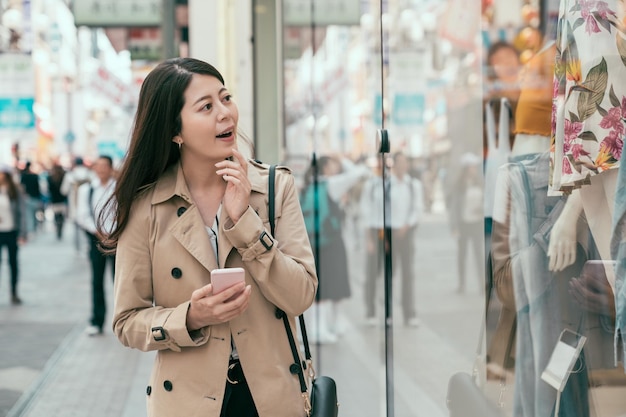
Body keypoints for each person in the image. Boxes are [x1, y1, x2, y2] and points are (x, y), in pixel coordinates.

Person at [102, 57, 317, 417]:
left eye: (225, 98)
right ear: (175, 131)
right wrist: (191, 317)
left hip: (272, 398)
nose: (225, 113)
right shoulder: (147, 206)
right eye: (206, 106)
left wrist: (245, 221)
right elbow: (127, 322)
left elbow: (301, 296)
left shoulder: (274, 187)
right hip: (187, 401)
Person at [299, 154, 367, 343]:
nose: (336, 168)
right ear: (326, 167)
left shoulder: (307, 186)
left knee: (318, 284)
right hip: (331, 241)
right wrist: (342, 158)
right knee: (330, 284)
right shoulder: (331, 184)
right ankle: (319, 330)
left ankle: (321, 327)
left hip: (311, 241)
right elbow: (359, 173)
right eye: (333, 165)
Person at [360, 152, 424, 327]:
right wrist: (371, 237)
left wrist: (406, 226)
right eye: (399, 162)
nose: (403, 166)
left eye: (405, 162)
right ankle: (379, 312)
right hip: (384, 232)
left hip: (405, 232)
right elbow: (370, 211)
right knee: (383, 273)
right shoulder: (382, 185)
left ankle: (409, 313)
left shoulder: (413, 185)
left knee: (407, 274)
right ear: (394, 164)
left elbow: (417, 209)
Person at [76, 155, 117, 336]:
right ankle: (97, 321)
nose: (101, 169)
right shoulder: (87, 189)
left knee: (120, 282)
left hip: (117, 240)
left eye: (104, 166)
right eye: (98, 166)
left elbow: (125, 211)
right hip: (97, 240)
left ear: (110, 168)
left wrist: (114, 233)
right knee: (97, 281)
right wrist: (98, 233)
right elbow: (82, 215)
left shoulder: (118, 187)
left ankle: (122, 322)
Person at [0, 165, 26, 305]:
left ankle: (14, 292)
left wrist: (23, 232)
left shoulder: (15, 190)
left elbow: (22, 212)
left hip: (11, 231)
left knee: (13, 263)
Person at [60, 156, 93, 251]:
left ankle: (78, 248)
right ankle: (87, 246)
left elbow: (63, 191)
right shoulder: (90, 174)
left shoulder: (70, 175)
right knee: (88, 226)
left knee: (76, 229)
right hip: (89, 205)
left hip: (74, 205)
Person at [19, 161, 43, 236]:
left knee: (29, 215)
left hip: (28, 197)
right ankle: (33, 229)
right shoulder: (34, 176)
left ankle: (31, 230)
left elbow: (22, 187)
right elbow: (38, 188)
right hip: (33, 197)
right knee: (33, 214)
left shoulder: (24, 176)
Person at [47, 163, 68, 240]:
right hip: (62, 200)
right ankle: (60, 229)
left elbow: (48, 190)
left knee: (56, 216)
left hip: (54, 201)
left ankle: (58, 228)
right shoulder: (64, 177)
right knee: (61, 217)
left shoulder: (50, 178)